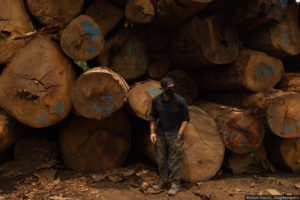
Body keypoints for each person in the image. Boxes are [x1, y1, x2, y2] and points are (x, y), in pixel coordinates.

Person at [149, 77, 190, 196]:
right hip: (161, 134)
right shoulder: (156, 100)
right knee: (161, 160)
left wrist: (180, 133)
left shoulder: (180, 100)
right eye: (168, 88)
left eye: (172, 87)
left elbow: (186, 119)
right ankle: (163, 181)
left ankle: (175, 184)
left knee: (174, 162)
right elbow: (152, 117)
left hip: (174, 134)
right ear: (162, 89)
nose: (171, 89)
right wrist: (152, 132)